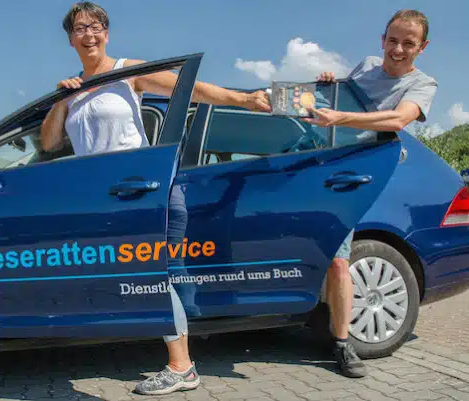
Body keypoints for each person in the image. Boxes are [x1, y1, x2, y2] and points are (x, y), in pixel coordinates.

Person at [40, 2, 271, 395]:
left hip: (145, 193)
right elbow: (49, 143)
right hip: (104, 200)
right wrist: (61, 100)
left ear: (106, 33)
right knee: (138, 278)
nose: (88, 34)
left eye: (95, 26)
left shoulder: (127, 72)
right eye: (80, 29)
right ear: (70, 39)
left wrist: (244, 100)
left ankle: (181, 367)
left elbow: (192, 89)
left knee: (154, 275)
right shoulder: (72, 91)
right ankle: (165, 352)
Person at [305, 9, 437, 379]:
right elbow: (341, 102)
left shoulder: (424, 85)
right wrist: (330, 85)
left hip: (360, 177)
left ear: (421, 47)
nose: (397, 49)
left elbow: (397, 119)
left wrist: (339, 118)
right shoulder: (364, 67)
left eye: (408, 44)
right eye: (392, 40)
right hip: (325, 166)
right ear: (382, 39)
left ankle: (343, 345)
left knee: (340, 261)